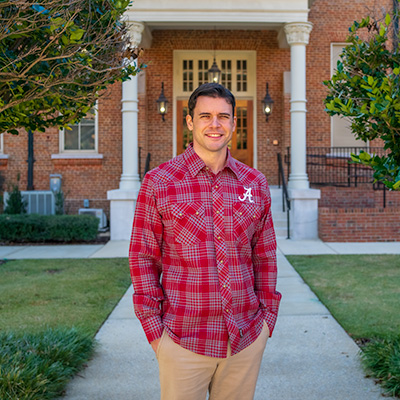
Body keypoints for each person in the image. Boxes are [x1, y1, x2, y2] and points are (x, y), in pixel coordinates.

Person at [129, 83, 281, 400]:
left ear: (234, 123)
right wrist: (156, 334)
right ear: (190, 122)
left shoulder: (255, 183)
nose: (215, 124)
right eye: (205, 116)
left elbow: (264, 258)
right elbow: (143, 258)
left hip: (245, 339)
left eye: (223, 116)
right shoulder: (159, 182)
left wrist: (266, 322)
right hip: (182, 340)